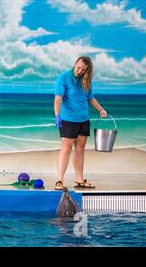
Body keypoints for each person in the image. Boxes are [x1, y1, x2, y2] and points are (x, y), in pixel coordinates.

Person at [54, 56, 107, 190]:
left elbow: (90, 98)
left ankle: (79, 180)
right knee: (66, 149)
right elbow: (58, 99)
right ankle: (59, 181)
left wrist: (101, 109)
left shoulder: (86, 80)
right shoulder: (63, 78)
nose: (79, 71)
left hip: (83, 119)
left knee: (80, 150)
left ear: (87, 70)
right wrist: (57, 116)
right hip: (68, 120)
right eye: (78, 68)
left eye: (83, 70)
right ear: (75, 63)